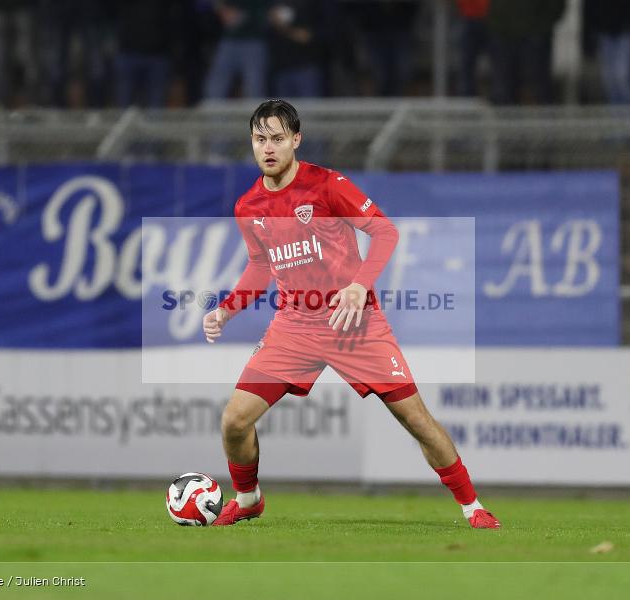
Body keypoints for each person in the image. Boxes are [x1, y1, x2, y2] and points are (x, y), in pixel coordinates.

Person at [202, 99, 501, 530]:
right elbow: (261, 265)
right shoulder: (248, 206)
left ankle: (472, 506)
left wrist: (360, 285)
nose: (268, 148)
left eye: (278, 138)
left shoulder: (326, 184)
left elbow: (384, 230)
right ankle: (248, 499)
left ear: (296, 140)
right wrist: (228, 308)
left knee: (415, 419)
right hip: (294, 326)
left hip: (354, 323)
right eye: (260, 139)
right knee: (234, 420)